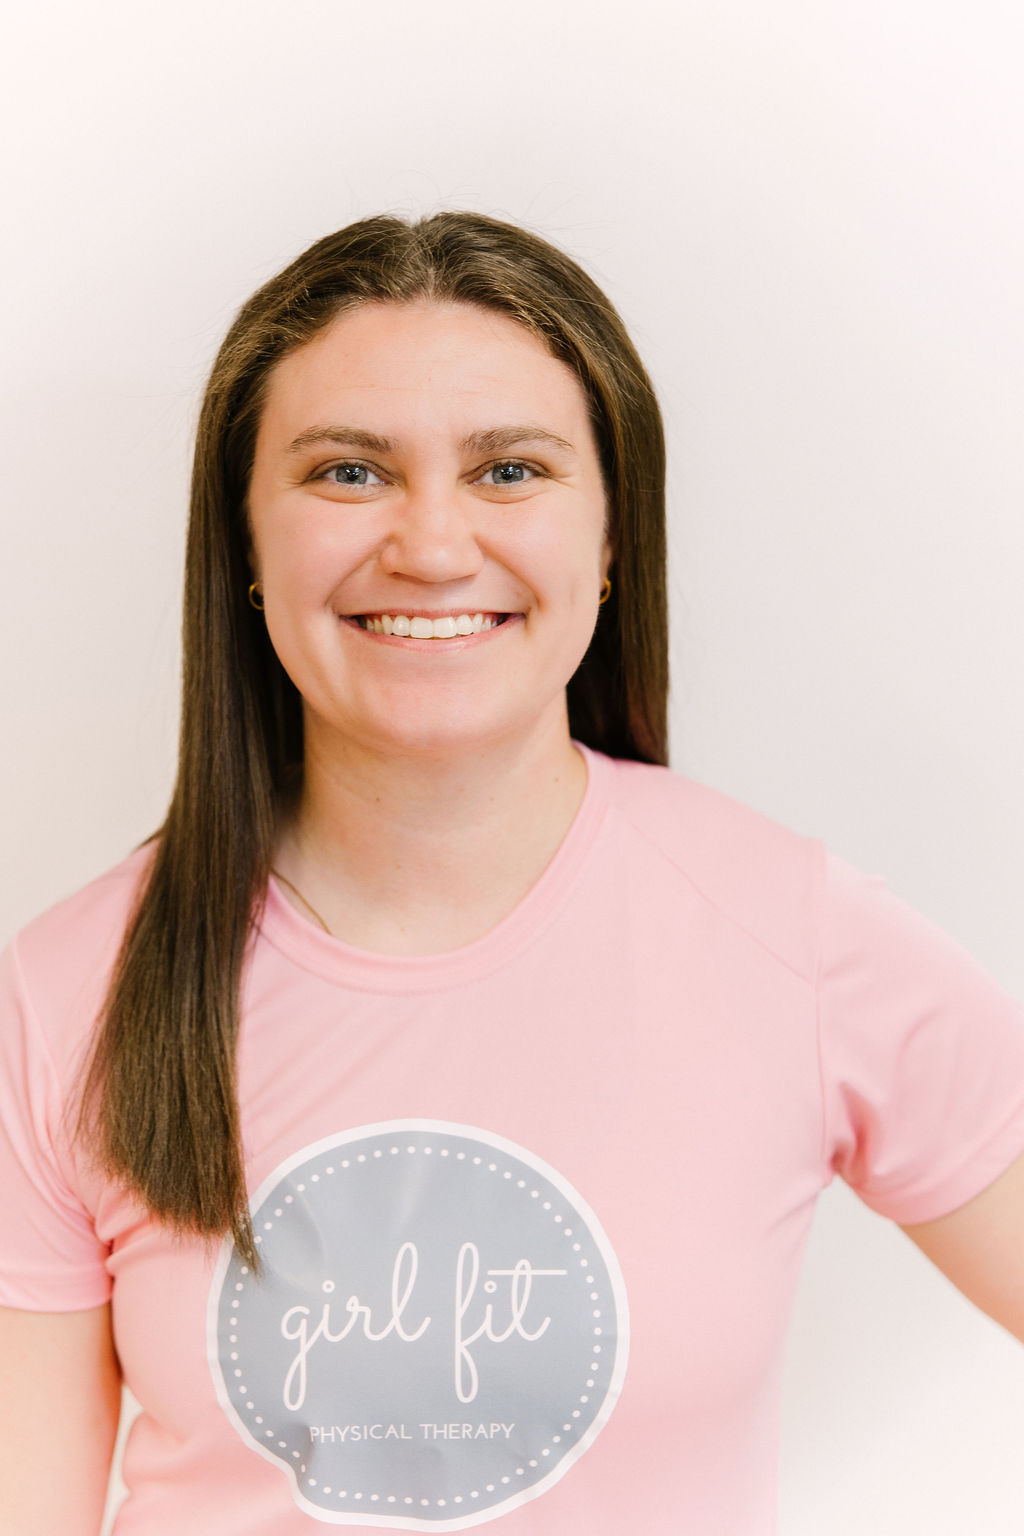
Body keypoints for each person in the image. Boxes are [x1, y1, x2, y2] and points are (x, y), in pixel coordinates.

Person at [1, 211, 1022, 1536]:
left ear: (612, 536)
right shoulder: (66, 995)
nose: (432, 546)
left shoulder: (796, 939)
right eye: (349, 472)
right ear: (246, 544)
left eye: (510, 471)